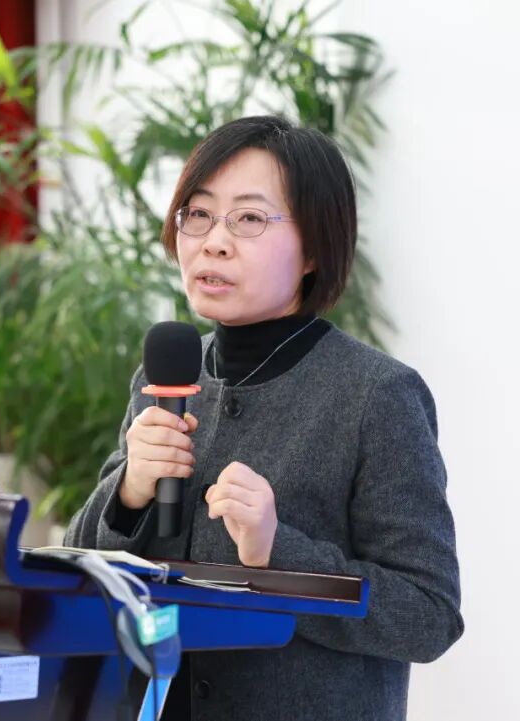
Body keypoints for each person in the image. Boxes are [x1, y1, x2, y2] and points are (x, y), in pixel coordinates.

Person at [64, 115, 462, 720]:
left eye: (248, 219)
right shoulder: (164, 376)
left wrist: (277, 551)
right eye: (198, 214)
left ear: (314, 249)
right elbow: (78, 565)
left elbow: (428, 614)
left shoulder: (376, 396)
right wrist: (128, 493)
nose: (213, 241)